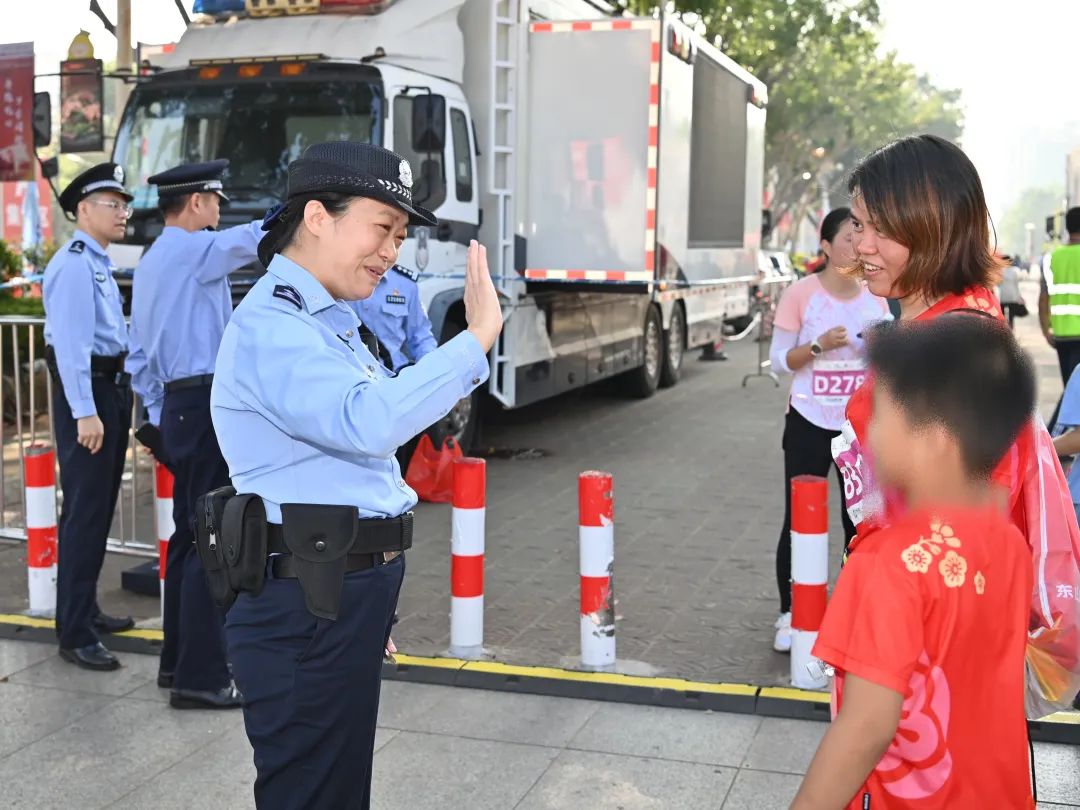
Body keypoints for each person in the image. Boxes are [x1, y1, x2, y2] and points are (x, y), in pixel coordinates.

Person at [210, 141, 502, 809]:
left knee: (334, 791)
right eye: (383, 228)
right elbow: (368, 422)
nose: (392, 251)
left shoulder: (328, 321)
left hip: (331, 591)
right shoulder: (275, 325)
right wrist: (475, 337)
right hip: (302, 602)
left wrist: (367, 592)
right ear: (318, 216)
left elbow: (355, 470)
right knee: (313, 793)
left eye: (400, 236)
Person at [832, 134, 1080, 717]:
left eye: (878, 229)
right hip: (936, 647)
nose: (858, 246)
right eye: (857, 224)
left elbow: (951, 535)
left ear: (933, 226)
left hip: (928, 661)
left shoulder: (952, 350)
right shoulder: (954, 325)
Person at [792, 314, 1036, 810]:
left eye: (880, 416)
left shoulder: (884, 563)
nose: (871, 435)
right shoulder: (1009, 543)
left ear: (935, 441)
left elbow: (866, 727)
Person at [126, 159, 261, 708]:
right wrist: (311, 207)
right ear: (199, 201)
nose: (220, 210)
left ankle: (177, 663)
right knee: (214, 540)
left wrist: (159, 415)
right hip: (204, 405)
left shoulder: (153, 259)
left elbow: (138, 356)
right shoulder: (194, 251)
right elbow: (255, 239)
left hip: (179, 407)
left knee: (187, 539)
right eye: (216, 200)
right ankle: (202, 679)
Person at [767, 207, 889, 652]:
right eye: (847, 238)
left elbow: (888, 361)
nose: (857, 246)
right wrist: (819, 346)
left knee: (858, 523)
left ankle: (851, 611)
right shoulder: (802, 294)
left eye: (861, 237)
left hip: (858, 429)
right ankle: (791, 611)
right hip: (807, 420)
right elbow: (779, 361)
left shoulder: (874, 296)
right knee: (799, 517)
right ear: (825, 247)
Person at [43, 163, 136, 671]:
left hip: (107, 392)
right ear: (83, 210)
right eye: (112, 204)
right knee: (83, 512)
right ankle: (74, 632)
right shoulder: (74, 264)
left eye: (124, 204)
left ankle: (85, 611)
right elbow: (73, 349)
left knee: (96, 510)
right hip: (90, 396)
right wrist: (86, 413)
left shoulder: (96, 262)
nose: (123, 212)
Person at [347, 263, 439, 468]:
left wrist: (429, 371)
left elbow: (421, 337)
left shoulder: (405, 284)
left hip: (392, 387)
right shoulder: (340, 275)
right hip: (350, 385)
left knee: (395, 463)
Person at [1040, 207, 1080, 384]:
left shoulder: (1052, 258)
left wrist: (1045, 330)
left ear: (1067, 228)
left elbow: (1043, 298)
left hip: (1061, 334)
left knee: (1070, 386)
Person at [996, 254, 1025, 328]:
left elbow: (998, 284)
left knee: (1002, 315)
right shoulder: (1015, 271)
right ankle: (1011, 330)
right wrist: (1019, 296)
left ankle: (1003, 330)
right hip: (1012, 297)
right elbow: (1017, 284)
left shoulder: (1000, 271)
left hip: (1003, 297)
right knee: (1011, 316)